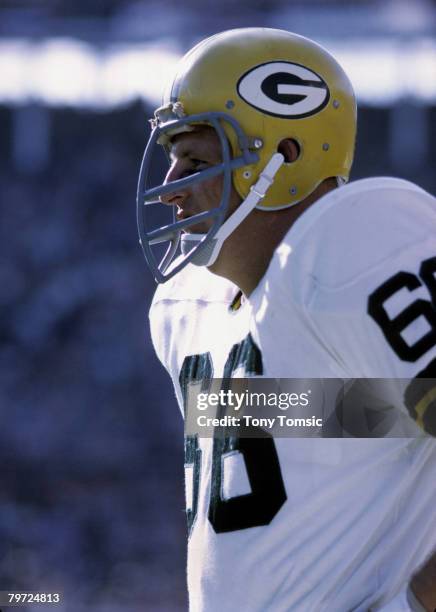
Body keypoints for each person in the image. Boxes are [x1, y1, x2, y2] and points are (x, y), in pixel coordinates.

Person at [137, 28, 436, 611]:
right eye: (173, 162)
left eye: (195, 160)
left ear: (286, 154)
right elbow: (350, 426)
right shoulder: (186, 308)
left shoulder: (355, 241)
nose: (171, 188)